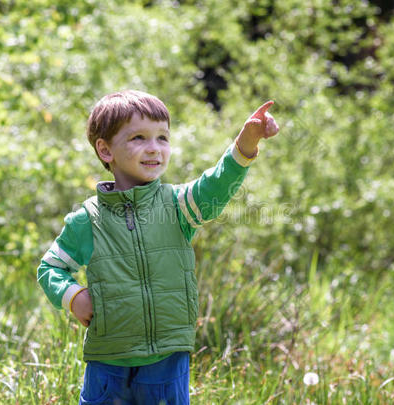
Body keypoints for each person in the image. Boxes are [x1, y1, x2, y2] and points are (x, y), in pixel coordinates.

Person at [37, 90, 279, 404]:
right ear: (105, 149)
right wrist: (73, 296)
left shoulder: (177, 205)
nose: (154, 149)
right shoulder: (88, 220)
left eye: (162, 138)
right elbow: (50, 268)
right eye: (139, 137)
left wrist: (245, 144)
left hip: (168, 354)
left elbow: (215, 187)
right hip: (109, 357)